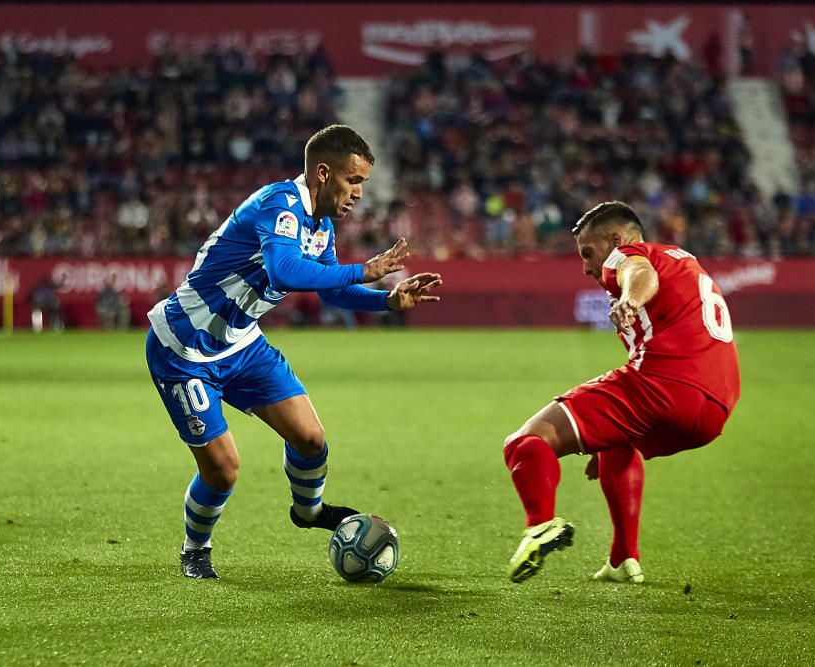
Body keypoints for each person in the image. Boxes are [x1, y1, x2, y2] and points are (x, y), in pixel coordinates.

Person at [145, 124, 442, 579]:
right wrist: (365, 270)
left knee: (310, 439)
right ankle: (195, 548)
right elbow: (284, 271)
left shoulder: (320, 225)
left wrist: (386, 299)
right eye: (353, 180)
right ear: (323, 173)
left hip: (242, 345)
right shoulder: (277, 205)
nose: (359, 193)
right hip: (184, 349)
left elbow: (332, 291)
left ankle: (308, 511)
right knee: (223, 470)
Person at [503, 201, 740, 583]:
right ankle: (623, 558)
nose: (585, 266)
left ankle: (540, 524)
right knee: (614, 443)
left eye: (588, 253)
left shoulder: (627, 256)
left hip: (664, 386)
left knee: (527, 441)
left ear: (614, 239)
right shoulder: (681, 258)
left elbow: (639, 273)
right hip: (715, 409)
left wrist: (630, 298)